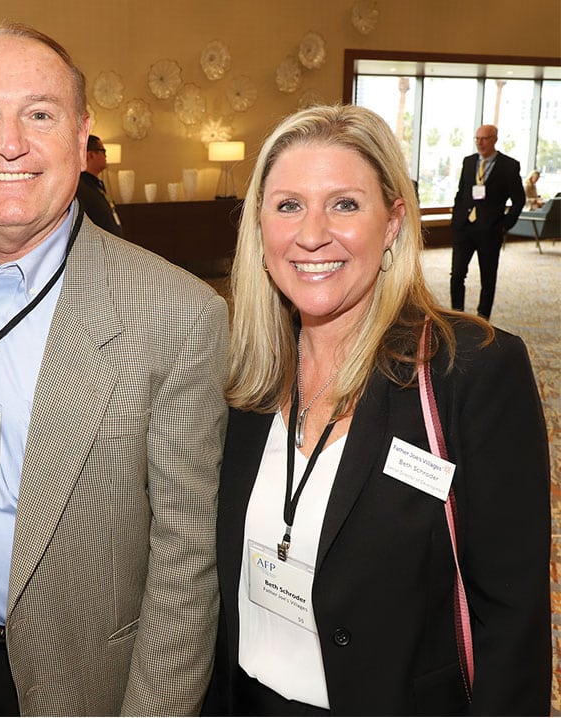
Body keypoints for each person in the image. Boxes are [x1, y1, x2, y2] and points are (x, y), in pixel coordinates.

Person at [0, 22, 228, 716]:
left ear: (82, 139)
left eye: (39, 113)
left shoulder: (178, 314)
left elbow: (187, 563)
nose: (10, 143)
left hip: (80, 682)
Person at [206, 104, 549, 716]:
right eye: (288, 205)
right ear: (259, 228)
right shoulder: (236, 378)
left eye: (344, 204)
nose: (312, 234)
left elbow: (513, 617)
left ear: (392, 223)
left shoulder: (470, 372)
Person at [449, 124, 525, 318]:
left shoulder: (509, 166)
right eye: (477, 139)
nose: (480, 143)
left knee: (488, 278)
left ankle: (483, 318)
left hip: (490, 231)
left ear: (495, 140)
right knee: (457, 275)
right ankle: (457, 316)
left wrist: (505, 225)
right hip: (464, 228)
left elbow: (519, 200)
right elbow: (461, 192)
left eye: (484, 138)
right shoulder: (468, 162)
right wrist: (456, 218)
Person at [75, 134, 123, 236]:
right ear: (90, 155)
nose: (106, 156)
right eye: (103, 151)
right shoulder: (81, 187)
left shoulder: (95, 184)